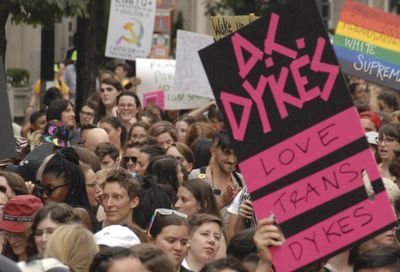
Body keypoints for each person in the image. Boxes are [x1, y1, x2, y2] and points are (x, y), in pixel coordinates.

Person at [189, 132, 243, 226]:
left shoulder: (242, 181)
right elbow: (188, 215)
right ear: (213, 152)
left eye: (236, 154)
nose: (232, 160)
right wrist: (220, 202)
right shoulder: (196, 176)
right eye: (227, 153)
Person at [38, 147, 96, 231]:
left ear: (70, 186)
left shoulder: (77, 215)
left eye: (50, 189)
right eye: (42, 189)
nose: (44, 195)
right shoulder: (57, 213)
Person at [0, 195, 43, 261]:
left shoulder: (49, 265)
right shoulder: (5, 259)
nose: (12, 241)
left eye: (19, 235)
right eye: (7, 234)